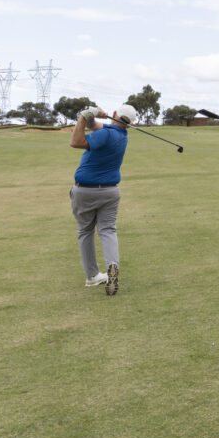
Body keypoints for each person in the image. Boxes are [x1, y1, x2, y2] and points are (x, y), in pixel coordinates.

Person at [69, 103, 138, 296]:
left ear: (115, 114)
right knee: (108, 230)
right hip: (110, 192)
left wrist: (84, 116)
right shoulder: (121, 135)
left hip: (85, 191)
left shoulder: (106, 134)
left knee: (85, 231)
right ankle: (112, 266)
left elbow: (75, 141)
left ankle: (92, 276)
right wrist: (93, 115)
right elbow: (96, 126)